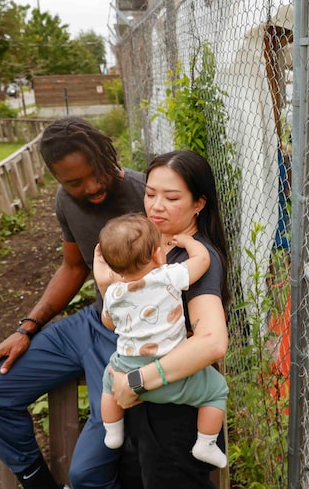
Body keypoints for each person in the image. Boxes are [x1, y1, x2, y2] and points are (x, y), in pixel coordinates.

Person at [0, 117, 148, 489]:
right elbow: (73, 265)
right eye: (75, 182)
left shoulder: (147, 194)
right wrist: (26, 328)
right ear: (57, 179)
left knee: (89, 472)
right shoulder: (66, 201)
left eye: (97, 173)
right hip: (92, 322)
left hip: (130, 339)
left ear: (107, 154)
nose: (92, 187)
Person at [103, 149, 232, 487]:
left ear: (198, 203)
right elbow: (116, 320)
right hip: (148, 408)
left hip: (176, 413)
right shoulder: (147, 250)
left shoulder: (196, 262)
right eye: (149, 193)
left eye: (171, 197)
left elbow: (213, 342)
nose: (156, 205)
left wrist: (134, 382)